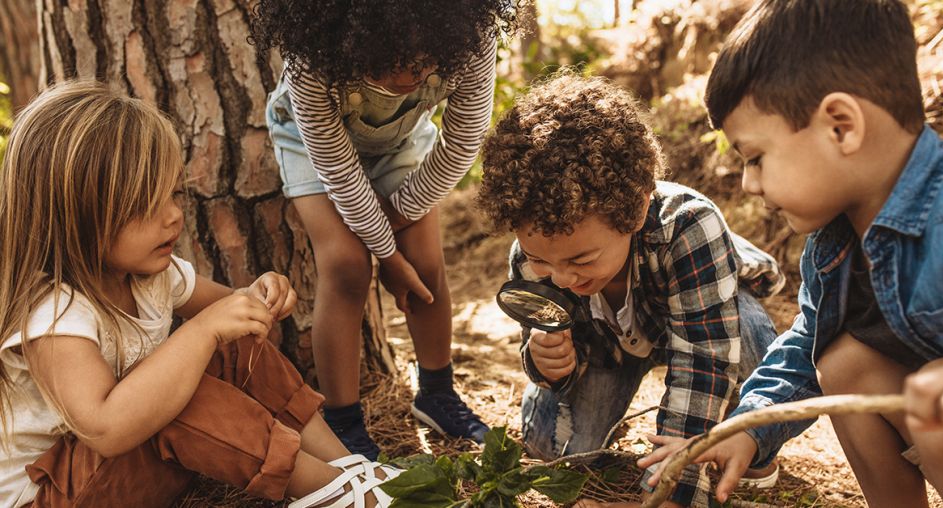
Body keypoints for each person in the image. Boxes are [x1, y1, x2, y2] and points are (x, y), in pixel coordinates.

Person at [0, 81, 399, 508]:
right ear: (72, 215)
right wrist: (202, 331)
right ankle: (333, 494)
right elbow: (106, 429)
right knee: (182, 395)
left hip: (129, 472)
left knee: (233, 346)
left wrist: (258, 295)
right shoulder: (55, 313)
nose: (174, 216)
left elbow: (234, 311)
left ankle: (347, 467)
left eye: (173, 194)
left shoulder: (150, 276)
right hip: (56, 494)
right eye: (144, 204)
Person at [641, 1, 943, 506]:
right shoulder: (831, 250)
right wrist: (747, 429)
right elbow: (802, 351)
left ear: (841, 126)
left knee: (942, 390)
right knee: (841, 363)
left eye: (756, 158)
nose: (749, 184)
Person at [476, 72, 786, 508]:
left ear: (637, 208)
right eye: (544, 261)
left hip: (702, 319)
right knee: (553, 448)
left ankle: (752, 452)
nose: (562, 278)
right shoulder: (533, 257)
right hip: (609, 350)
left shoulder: (690, 226)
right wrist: (550, 364)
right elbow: (544, 340)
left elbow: (703, 360)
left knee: (752, 341)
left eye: (581, 260)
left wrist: (673, 491)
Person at [250, 0, 520, 458]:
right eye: (386, 63)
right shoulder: (311, 62)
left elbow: (463, 141)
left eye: (421, 64)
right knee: (347, 265)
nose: (405, 78)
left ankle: (437, 394)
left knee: (427, 262)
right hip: (312, 144)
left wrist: (395, 222)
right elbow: (338, 171)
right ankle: (343, 421)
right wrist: (386, 257)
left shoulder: (469, 37)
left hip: (403, 141)